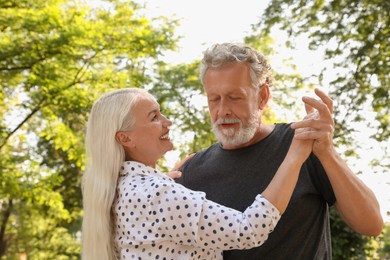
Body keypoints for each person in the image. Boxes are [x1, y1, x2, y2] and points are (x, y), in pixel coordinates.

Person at [176, 42, 383, 259]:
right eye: (214, 99)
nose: (222, 110)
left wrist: (327, 152)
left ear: (262, 96)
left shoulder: (303, 142)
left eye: (234, 97)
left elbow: (371, 224)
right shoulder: (191, 170)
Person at [81, 88, 314, 260]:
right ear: (125, 138)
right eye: (153, 117)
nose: (167, 121)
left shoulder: (119, 190)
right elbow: (249, 229)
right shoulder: (156, 194)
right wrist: (295, 155)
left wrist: (163, 180)